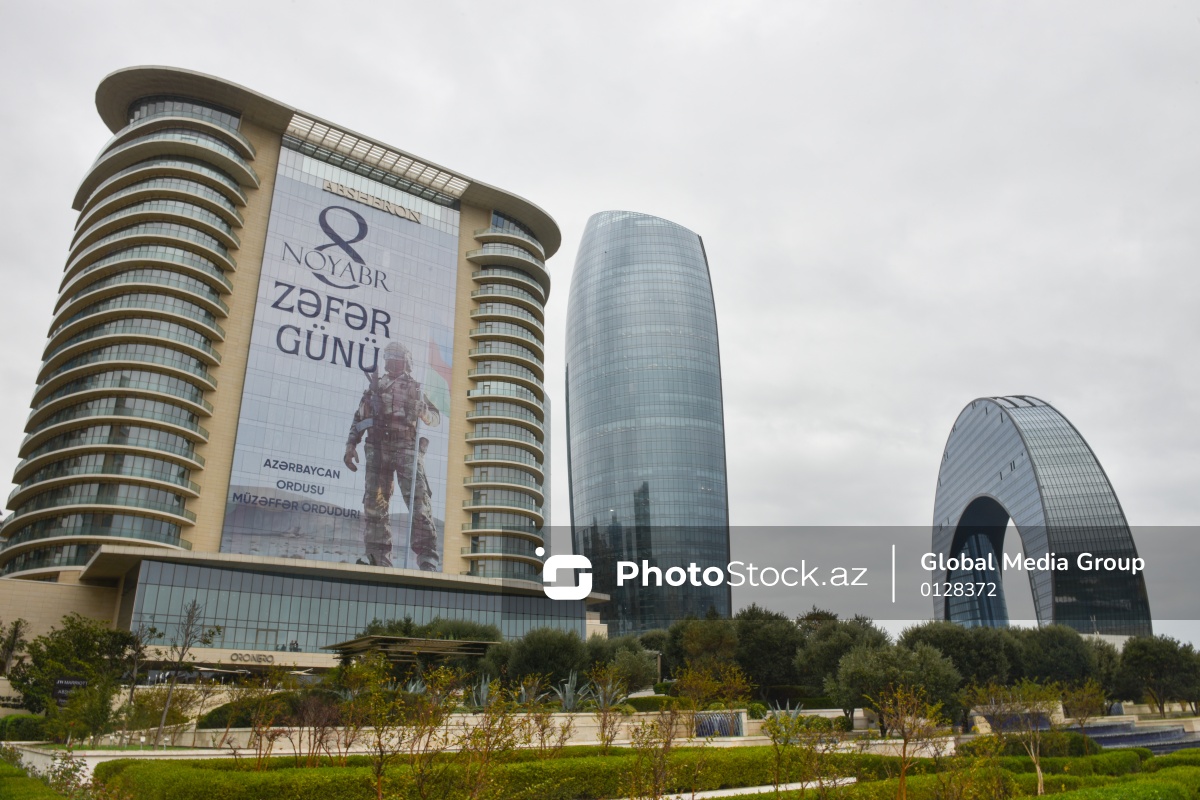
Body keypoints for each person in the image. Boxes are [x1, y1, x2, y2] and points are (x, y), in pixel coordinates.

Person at [344, 341, 441, 569]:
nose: (391, 362)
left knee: (418, 502)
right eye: (388, 358)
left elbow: (435, 417)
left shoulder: (415, 388)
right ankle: (378, 558)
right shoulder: (374, 387)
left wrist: (424, 412)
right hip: (378, 449)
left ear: (405, 362)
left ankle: (427, 557)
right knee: (375, 504)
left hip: (406, 448)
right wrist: (351, 445)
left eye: (395, 358)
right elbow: (359, 418)